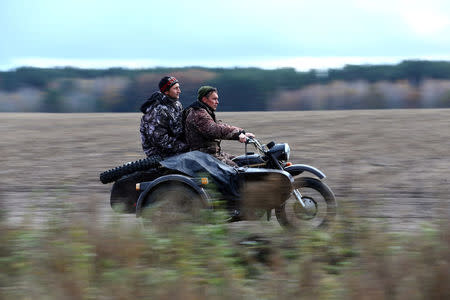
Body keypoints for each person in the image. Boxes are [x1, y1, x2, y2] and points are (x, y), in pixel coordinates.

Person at [183, 85, 254, 166]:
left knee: (242, 160)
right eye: (214, 99)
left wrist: (242, 132)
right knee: (237, 170)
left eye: (217, 99)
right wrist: (237, 135)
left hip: (212, 153)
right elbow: (214, 130)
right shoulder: (198, 113)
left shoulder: (206, 111)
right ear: (204, 99)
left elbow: (220, 125)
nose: (217, 102)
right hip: (204, 156)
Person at [139, 76, 189, 158]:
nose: (179, 91)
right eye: (175, 88)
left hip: (175, 147)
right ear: (166, 91)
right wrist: (185, 146)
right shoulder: (156, 111)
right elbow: (160, 140)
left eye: (179, 88)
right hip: (159, 153)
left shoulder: (177, 104)